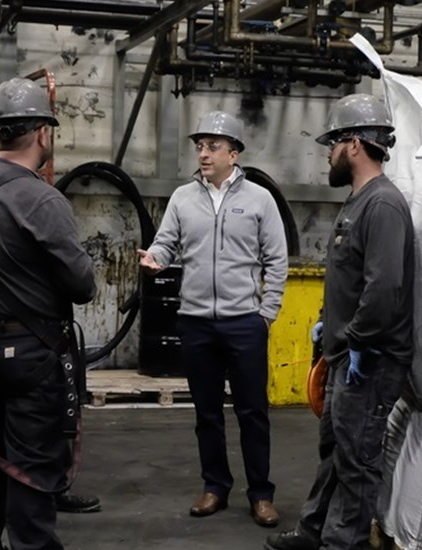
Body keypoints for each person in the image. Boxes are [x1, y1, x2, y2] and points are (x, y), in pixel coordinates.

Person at [0, 77, 96, 550]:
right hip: (34, 356)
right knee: (33, 471)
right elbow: (82, 286)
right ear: (41, 133)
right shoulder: (41, 198)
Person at [265, 94, 414, 550]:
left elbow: (383, 289)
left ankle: (341, 544)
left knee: (356, 461)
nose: (328, 153)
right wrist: (327, 326)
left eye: (332, 143)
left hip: (369, 361)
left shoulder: (382, 205)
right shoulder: (356, 202)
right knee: (334, 451)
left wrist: (356, 340)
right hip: (344, 355)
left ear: (353, 144)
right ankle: (314, 532)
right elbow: (350, 281)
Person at [137, 111, 289, 527]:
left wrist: (266, 314)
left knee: (252, 412)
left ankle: (261, 494)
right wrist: (156, 258)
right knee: (206, 413)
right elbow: (166, 242)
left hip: (245, 323)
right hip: (196, 322)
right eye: (200, 147)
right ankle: (215, 487)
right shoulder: (183, 198)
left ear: (234, 154)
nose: (204, 154)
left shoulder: (259, 200)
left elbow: (277, 260)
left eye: (213, 147)